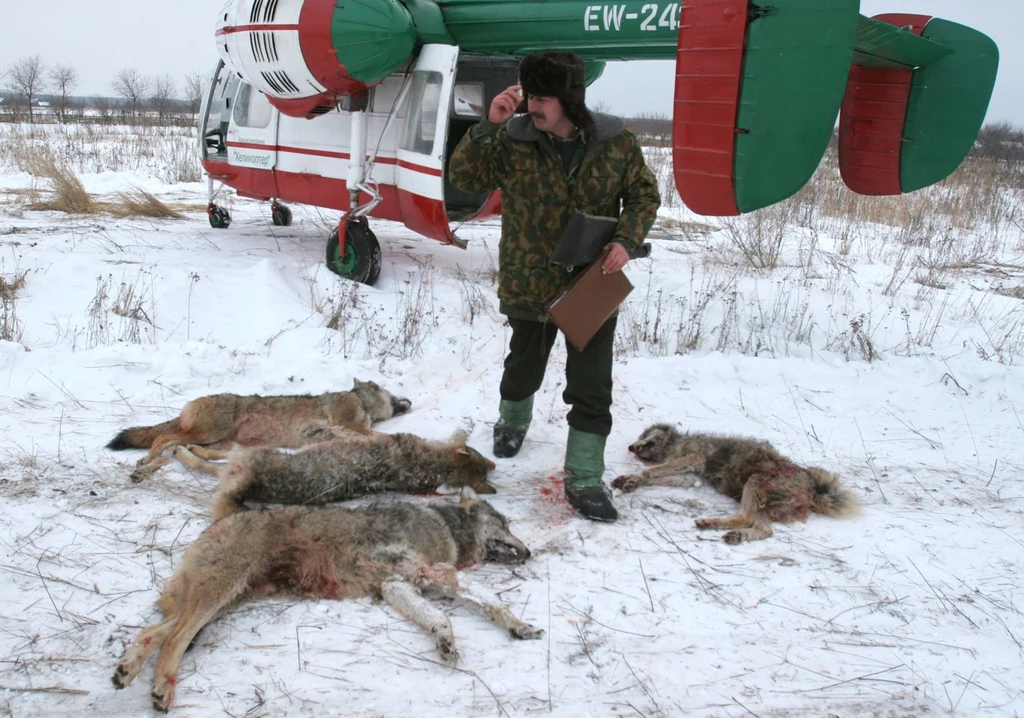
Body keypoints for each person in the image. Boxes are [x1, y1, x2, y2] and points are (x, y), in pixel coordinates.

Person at [448, 51, 661, 522]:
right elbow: (463, 178)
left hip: (592, 283)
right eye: (530, 96)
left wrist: (627, 240)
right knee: (524, 367)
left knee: (591, 386)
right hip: (530, 281)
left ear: (569, 99)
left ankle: (584, 478)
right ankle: (512, 421)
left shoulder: (615, 141)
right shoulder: (513, 138)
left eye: (542, 98)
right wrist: (491, 124)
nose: (533, 107)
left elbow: (645, 193)